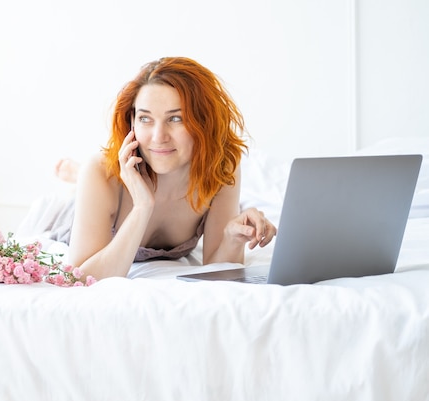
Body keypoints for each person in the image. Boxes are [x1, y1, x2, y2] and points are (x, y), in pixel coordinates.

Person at [60, 57, 277, 280]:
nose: (158, 137)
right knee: (90, 173)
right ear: (131, 121)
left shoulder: (221, 165)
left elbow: (216, 266)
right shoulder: (100, 172)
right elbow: (80, 277)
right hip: (85, 204)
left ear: (204, 121)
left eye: (175, 118)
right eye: (145, 118)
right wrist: (142, 206)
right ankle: (76, 174)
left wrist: (232, 237)